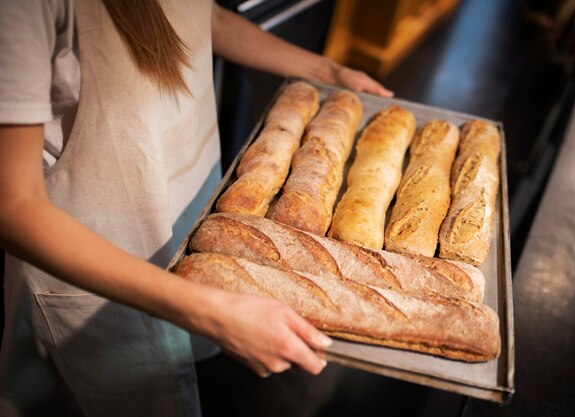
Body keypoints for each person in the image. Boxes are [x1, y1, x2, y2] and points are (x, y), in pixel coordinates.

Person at [0, 0, 392, 416]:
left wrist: (327, 73)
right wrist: (210, 311)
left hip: (192, 216)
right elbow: (13, 206)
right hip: (95, 267)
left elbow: (200, 14)